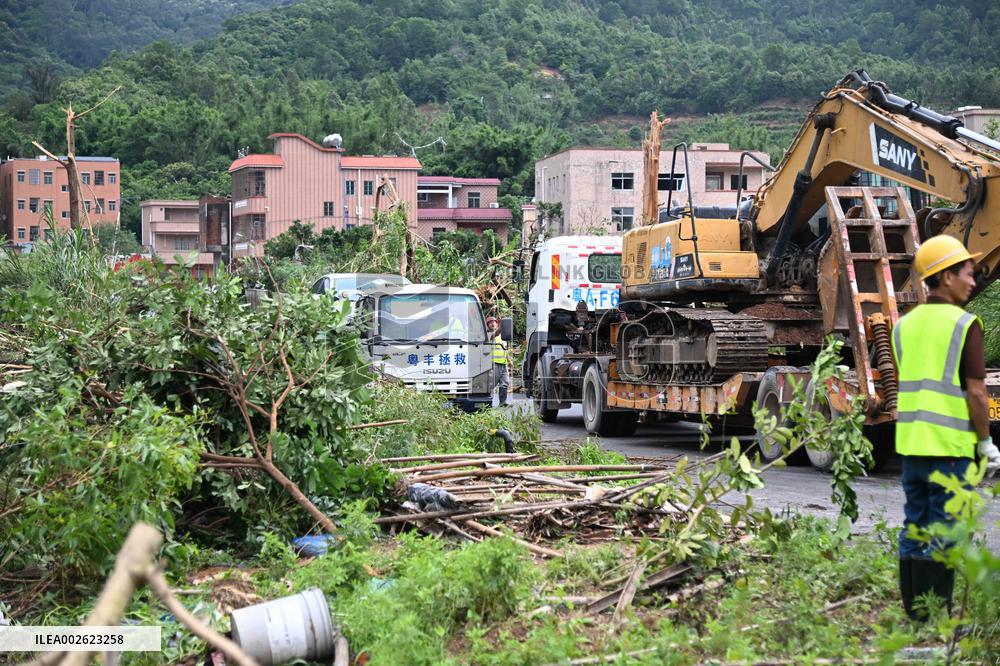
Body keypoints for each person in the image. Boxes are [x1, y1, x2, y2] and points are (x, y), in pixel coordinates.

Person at [892, 235, 1000, 621]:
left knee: (914, 527)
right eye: (968, 274)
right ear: (947, 276)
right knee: (945, 531)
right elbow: (975, 391)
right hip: (950, 449)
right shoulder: (965, 324)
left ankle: (917, 618)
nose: (974, 282)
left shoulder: (903, 327)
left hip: (910, 446)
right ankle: (937, 620)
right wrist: (986, 441)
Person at [486, 316, 510, 407]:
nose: (492, 323)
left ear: (497, 323)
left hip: (504, 363)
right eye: (490, 322)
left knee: (505, 383)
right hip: (494, 363)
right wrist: (503, 325)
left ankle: (502, 402)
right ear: (487, 325)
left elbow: (505, 349)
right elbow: (495, 333)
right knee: (491, 385)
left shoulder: (502, 336)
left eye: (494, 322)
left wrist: (509, 361)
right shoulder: (488, 335)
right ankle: (487, 403)